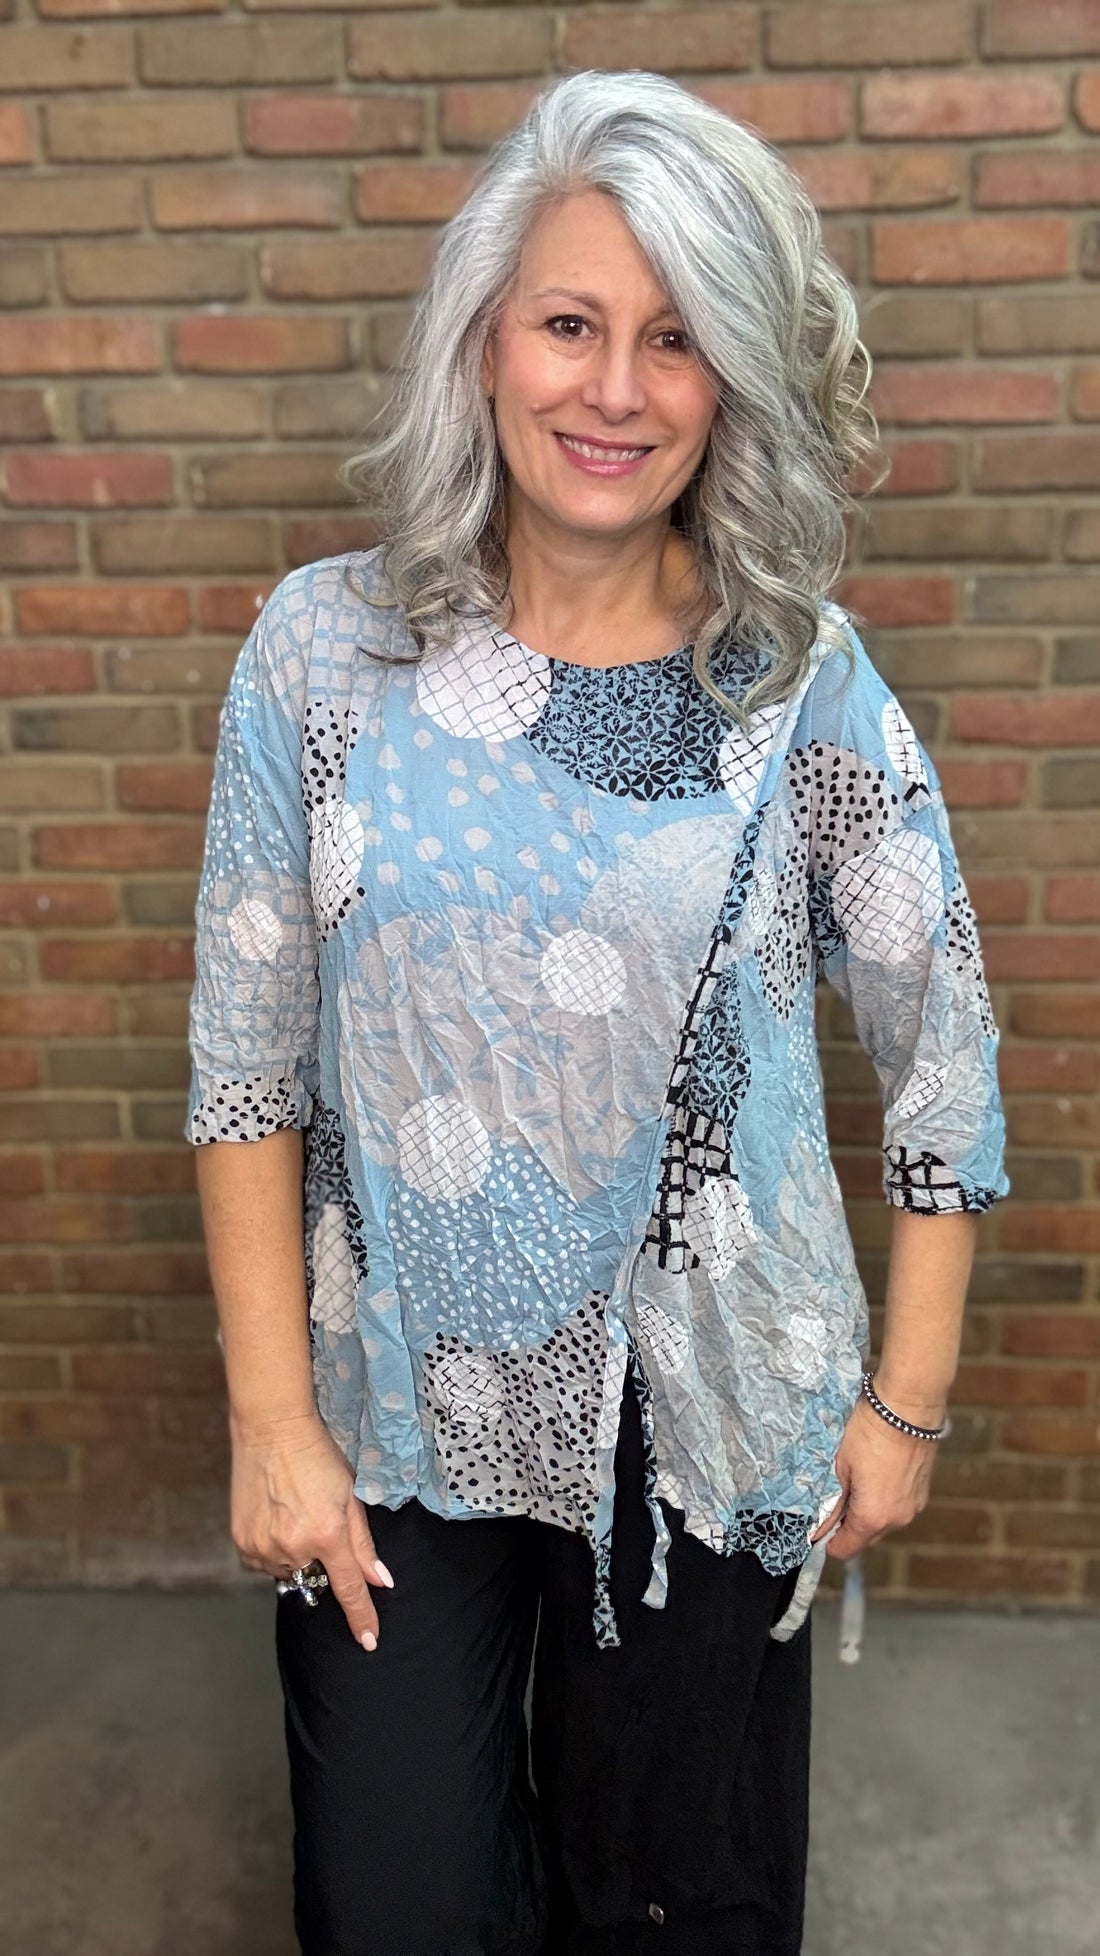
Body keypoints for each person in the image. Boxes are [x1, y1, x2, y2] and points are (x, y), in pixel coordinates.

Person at [185, 68, 1009, 1956]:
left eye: (676, 338)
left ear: (733, 382)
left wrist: (909, 1402)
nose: (615, 389)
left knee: (673, 1912)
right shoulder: (324, 654)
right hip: (394, 1396)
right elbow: (245, 1064)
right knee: (397, 1901)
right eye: (571, 324)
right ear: (488, 342)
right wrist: (268, 1419)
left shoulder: (795, 681)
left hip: (711, 1416)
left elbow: (939, 1041)